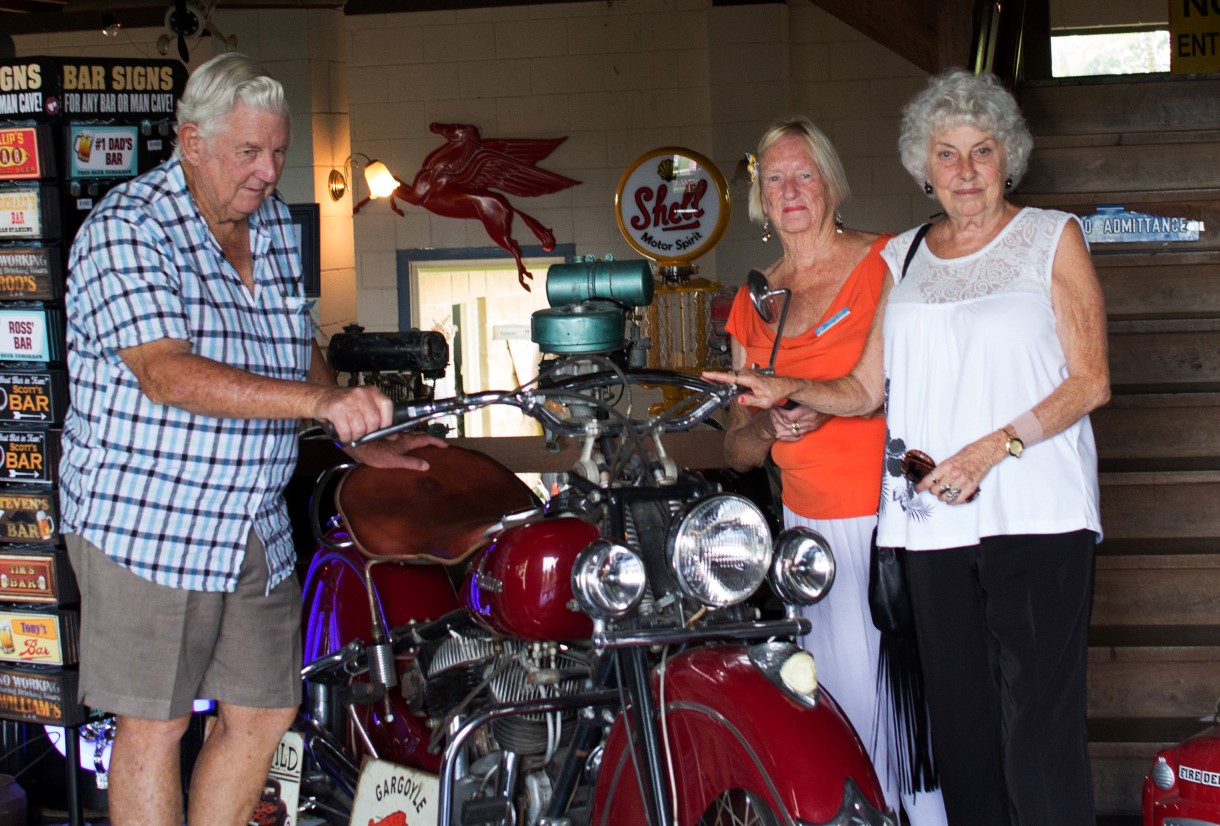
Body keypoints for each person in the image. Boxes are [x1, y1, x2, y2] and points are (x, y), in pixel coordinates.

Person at [707, 69, 1108, 826]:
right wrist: (780, 390)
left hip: (1037, 515)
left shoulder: (1051, 237)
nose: (964, 170)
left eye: (981, 152)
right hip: (931, 529)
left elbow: (1089, 382)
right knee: (961, 731)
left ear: (1008, 158)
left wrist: (993, 449)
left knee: (1038, 732)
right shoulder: (908, 257)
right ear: (924, 168)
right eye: (947, 155)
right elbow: (862, 391)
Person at [59, 53, 442, 826]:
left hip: (251, 522)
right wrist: (322, 400)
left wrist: (347, 434)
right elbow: (166, 373)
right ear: (191, 142)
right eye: (249, 152)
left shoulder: (266, 223)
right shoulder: (126, 231)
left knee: (264, 712)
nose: (268, 172)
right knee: (155, 725)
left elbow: (289, 340)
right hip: (147, 520)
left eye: (278, 152)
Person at [720, 115, 947, 825]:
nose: (790, 191)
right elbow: (737, 447)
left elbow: (927, 384)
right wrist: (767, 421)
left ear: (831, 184)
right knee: (840, 712)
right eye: (776, 178)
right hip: (810, 538)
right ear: (761, 196)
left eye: (804, 174)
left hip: (900, 524)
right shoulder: (754, 301)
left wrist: (817, 399)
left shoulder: (890, 261)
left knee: (918, 723)